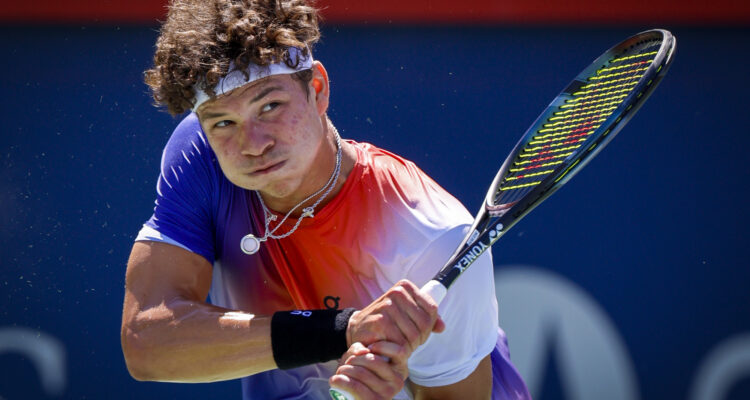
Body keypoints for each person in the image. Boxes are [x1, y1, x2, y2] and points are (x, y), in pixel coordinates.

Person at [120, 0, 531, 399]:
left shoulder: (431, 234)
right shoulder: (202, 157)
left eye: (270, 106)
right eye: (224, 122)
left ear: (317, 89)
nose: (253, 144)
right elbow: (146, 342)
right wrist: (342, 330)